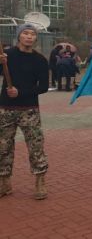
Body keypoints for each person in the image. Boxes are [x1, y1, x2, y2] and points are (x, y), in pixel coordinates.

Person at [0, 23, 49, 200]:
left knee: (35, 146)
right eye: (25, 33)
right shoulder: (7, 55)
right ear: (19, 36)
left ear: (35, 38)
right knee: (3, 146)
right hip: (6, 108)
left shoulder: (40, 60)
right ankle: (4, 183)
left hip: (29, 110)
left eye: (32, 34)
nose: (29, 37)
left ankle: (40, 181)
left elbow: (43, 87)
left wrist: (21, 92)